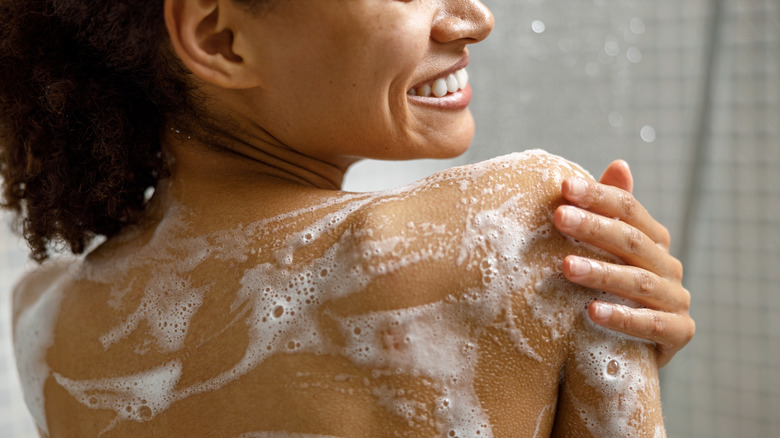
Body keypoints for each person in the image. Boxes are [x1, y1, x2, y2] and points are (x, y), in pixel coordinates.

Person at [1, 0, 694, 436]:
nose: (473, 16)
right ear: (221, 38)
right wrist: (607, 343)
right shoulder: (521, 225)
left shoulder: (46, 322)